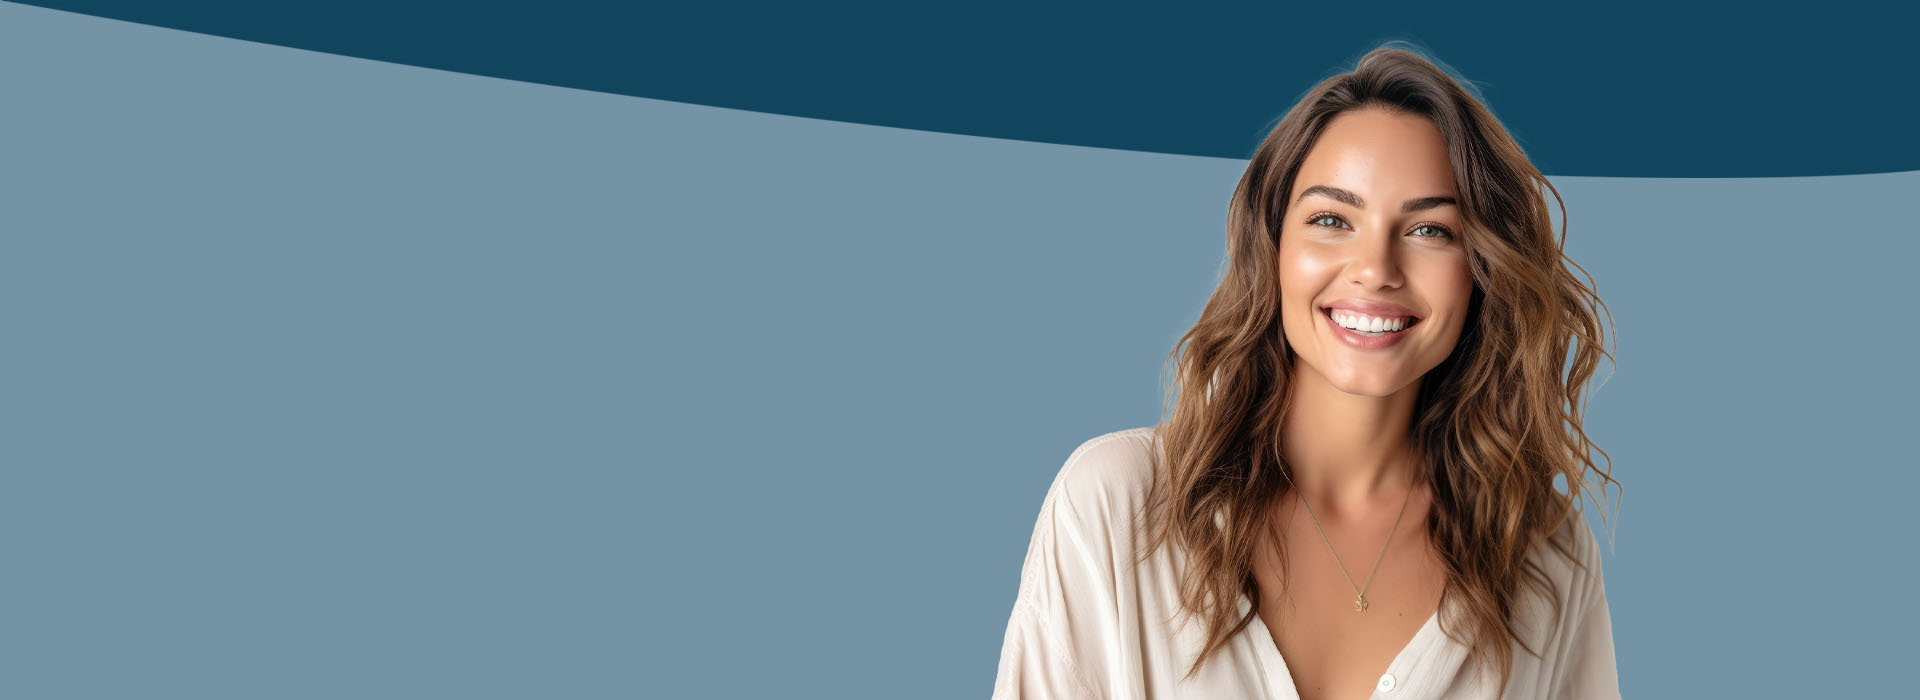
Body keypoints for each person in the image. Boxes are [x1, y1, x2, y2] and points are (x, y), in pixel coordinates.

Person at [993, 43, 1623, 700]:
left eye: (1430, 230)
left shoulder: (1547, 555)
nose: (1376, 268)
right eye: (1331, 219)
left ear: (1482, 271)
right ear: (1273, 249)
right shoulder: (1117, 505)